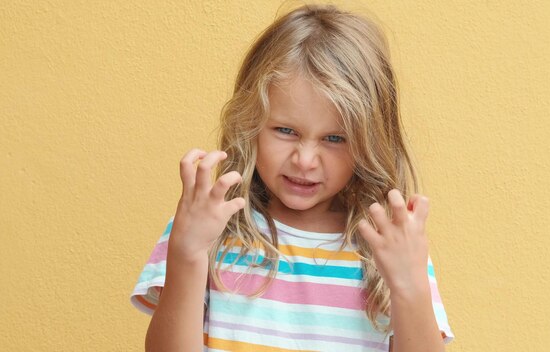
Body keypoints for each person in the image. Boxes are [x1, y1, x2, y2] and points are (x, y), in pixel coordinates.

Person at [130, 3, 454, 351]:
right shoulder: (208, 227)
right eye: (286, 130)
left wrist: (410, 286)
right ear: (249, 122)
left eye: (334, 138)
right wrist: (187, 253)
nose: (305, 160)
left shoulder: (390, 245)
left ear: (370, 141)